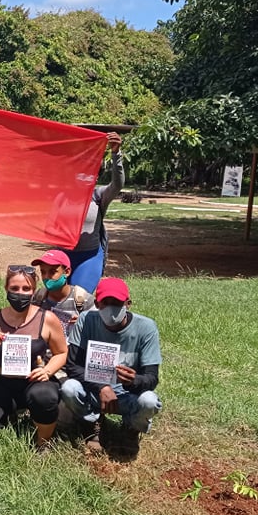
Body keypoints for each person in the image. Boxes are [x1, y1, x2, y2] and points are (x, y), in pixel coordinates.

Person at [0, 265, 67, 451]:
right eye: (14, 288)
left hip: (35, 380)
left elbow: (61, 353)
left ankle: (43, 443)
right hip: (4, 381)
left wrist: (47, 371)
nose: (20, 293)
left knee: (43, 397)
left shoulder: (47, 319)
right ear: (6, 288)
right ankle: (12, 413)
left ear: (33, 290)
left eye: (26, 289)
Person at [61, 277, 162, 457]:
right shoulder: (85, 320)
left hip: (127, 395)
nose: (110, 308)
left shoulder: (146, 328)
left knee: (150, 401)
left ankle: (131, 430)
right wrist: (102, 387)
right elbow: (72, 366)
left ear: (128, 303)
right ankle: (92, 424)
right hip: (93, 391)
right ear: (97, 304)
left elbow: (152, 378)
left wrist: (135, 380)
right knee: (69, 388)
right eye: (104, 303)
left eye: (116, 302)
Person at [64, 131, 123, 293]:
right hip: (62, 256)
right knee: (57, 301)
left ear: (96, 177)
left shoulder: (98, 196)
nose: (84, 176)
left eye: (90, 172)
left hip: (89, 256)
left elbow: (117, 185)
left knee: (79, 299)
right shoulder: (59, 196)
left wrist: (116, 153)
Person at [30, 249, 95, 336]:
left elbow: (98, 330)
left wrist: (85, 323)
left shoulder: (84, 300)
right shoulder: (38, 298)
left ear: (67, 272)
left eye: (52, 272)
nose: (46, 277)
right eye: (43, 272)